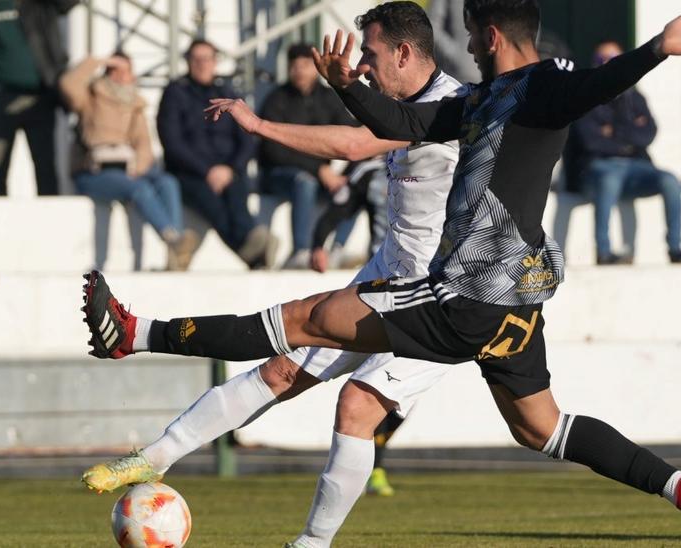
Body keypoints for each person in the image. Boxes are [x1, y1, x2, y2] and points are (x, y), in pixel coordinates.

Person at [81, 4, 681, 548]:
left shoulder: (541, 87)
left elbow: (589, 88)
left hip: (458, 296)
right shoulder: (488, 99)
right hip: (513, 310)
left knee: (308, 325)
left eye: (470, 36)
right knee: (543, 428)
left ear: (489, 35)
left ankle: (138, 334)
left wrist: (659, 48)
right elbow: (402, 121)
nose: (468, 46)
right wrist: (345, 84)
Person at [82, 0, 465, 527]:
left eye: (372, 56)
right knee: (281, 370)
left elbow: (354, 145)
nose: (365, 69)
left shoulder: (451, 107)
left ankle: (311, 542)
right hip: (384, 275)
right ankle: (154, 456)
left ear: (404, 52)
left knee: (356, 406)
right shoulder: (398, 104)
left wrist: (258, 124)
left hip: (436, 298)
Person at [60, 53, 198, 271]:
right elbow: (68, 83)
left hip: (128, 169)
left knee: (168, 183)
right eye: (118, 70)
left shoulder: (134, 104)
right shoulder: (90, 97)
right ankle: (173, 239)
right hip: (95, 171)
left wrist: (138, 167)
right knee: (141, 190)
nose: (125, 75)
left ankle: (175, 253)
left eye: (128, 70)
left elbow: (144, 144)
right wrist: (101, 61)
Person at [565, 40, 681, 265]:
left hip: (636, 168)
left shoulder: (635, 97)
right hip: (597, 168)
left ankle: (675, 249)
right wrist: (630, 135)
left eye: (614, 59)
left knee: (670, 181)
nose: (608, 64)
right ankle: (604, 252)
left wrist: (613, 132)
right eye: (601, 60)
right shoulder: (584, 94)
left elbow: (649, 133)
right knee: (610, 178)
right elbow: (590, 141)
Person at [157, 40, 276, 269]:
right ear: (188, 62)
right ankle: (254, 250)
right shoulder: (175, 93)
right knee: (214, 206)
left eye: (208, 59)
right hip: (190, 173)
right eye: (197, 59)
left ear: (215, 62)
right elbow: (172, 143)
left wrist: (230, 169)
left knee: (236, 195)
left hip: (229, 170)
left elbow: (247, 139)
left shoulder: (228, 93)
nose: (203, 64)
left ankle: (256, 252)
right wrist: (207, 170)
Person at [0, 0, 77, 197]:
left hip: (39, 98)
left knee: (45, 168)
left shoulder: (39, 5)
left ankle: (52, 223)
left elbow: (68, 3)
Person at [258, 44, 358, 269]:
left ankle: (337, 250)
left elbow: (352, 134)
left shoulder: (328, 97)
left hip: (319, 178)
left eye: (304, 65)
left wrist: (347, 174)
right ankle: (300, 251)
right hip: (278, 176)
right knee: (304, 182)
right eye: (294, 65)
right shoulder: (277, 99)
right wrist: (320, 170)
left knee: (356, 185)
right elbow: (273, 151)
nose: (299, 70)